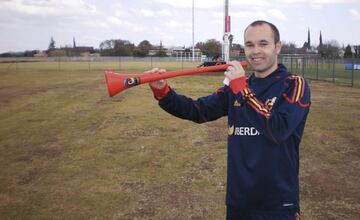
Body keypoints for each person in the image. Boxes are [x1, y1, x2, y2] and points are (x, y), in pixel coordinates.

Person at [146, 20, 310, 220]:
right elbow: (199, 110)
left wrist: (242, 89)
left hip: (277, 204)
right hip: (239, 202)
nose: (255, 51)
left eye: (263, 44)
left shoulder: (294, 84)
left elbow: (277, 130)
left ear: (277, 47)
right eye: (249, 45)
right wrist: (163, 92)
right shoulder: (237, 86)